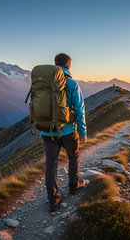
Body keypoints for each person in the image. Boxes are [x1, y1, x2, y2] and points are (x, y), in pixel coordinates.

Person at [41, 53, 87, 212]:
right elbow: (80, 110)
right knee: (73, 156)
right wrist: (82, 132)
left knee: (51, 164)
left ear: (55, 65)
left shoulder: (43, 83)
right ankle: (74, 186)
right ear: (69, 66)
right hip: (67, 131)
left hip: (47, 131)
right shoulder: (72, 84)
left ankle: (53, 200)